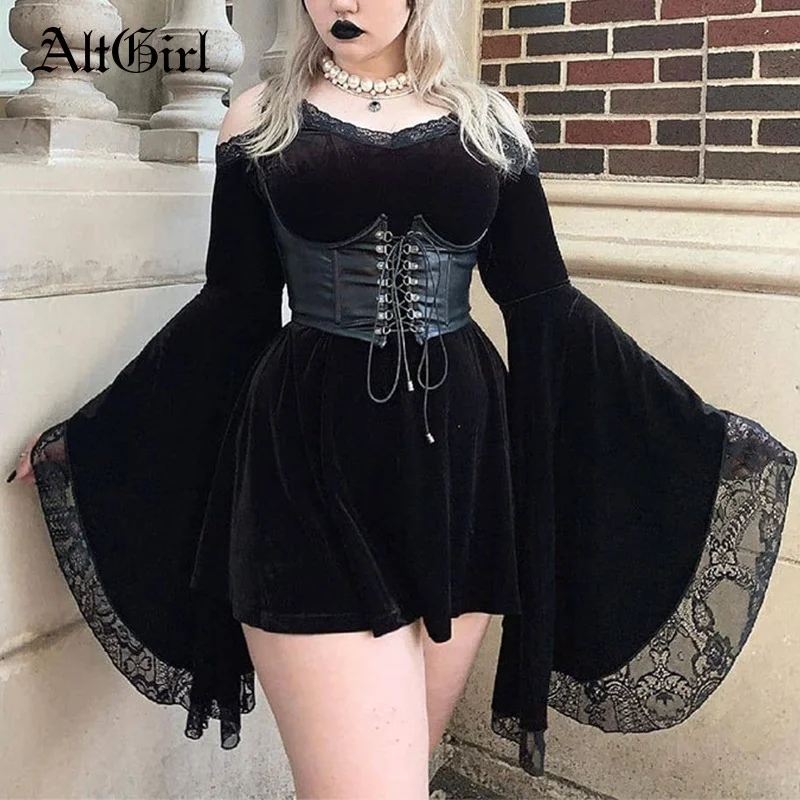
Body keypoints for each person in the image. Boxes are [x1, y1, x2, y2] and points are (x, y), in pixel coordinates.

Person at [7, 0, 797, 796]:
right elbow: (232, 310)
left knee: (400, 775)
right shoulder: (261, 119)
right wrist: (99, 435)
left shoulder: (487, 123)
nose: (342, 4)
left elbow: (546, 306)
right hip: (306, 465)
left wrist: (701, 434)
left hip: (463, 474)